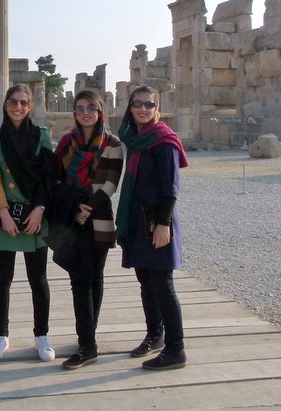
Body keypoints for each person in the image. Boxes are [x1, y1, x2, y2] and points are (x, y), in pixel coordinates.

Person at [115, 85, 189, 370]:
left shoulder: (163, 139)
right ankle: (155, 335)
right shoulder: (135, 139)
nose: (143, 109)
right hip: (138, 218)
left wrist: (163, 224)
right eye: (138, 104)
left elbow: (171, 188)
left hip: (157, 220)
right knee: (145, 281)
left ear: (157, 108)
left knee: (162, 284)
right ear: (130, 107)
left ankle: (176, 349)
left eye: (149, 104)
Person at [51, 90, 123, 371]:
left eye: (90, 107)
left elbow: (110, 183)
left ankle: (87, 340)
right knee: (79, 279)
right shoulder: (66, 142)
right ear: (74, 113)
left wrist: (87, 206)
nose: (85, 113)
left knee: (95, 277)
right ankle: (87, 342)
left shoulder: (113, 143)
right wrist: (76, 206)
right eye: (80, 108)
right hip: (73, 217)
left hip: (99, 215)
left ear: (99, 110)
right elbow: (56, 178)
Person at [0, 84, 56, 362]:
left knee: (38, 278)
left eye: (23, 102)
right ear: (5, 105)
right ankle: (1, 334)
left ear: (30, 106)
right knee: (3, 278)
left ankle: (41, 335)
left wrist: (40, 209)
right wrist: (3, 212)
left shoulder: (41, 135)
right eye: (13, 102)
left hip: (35, 213)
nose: (18, 107)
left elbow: (48, 177)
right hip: (5, 212)